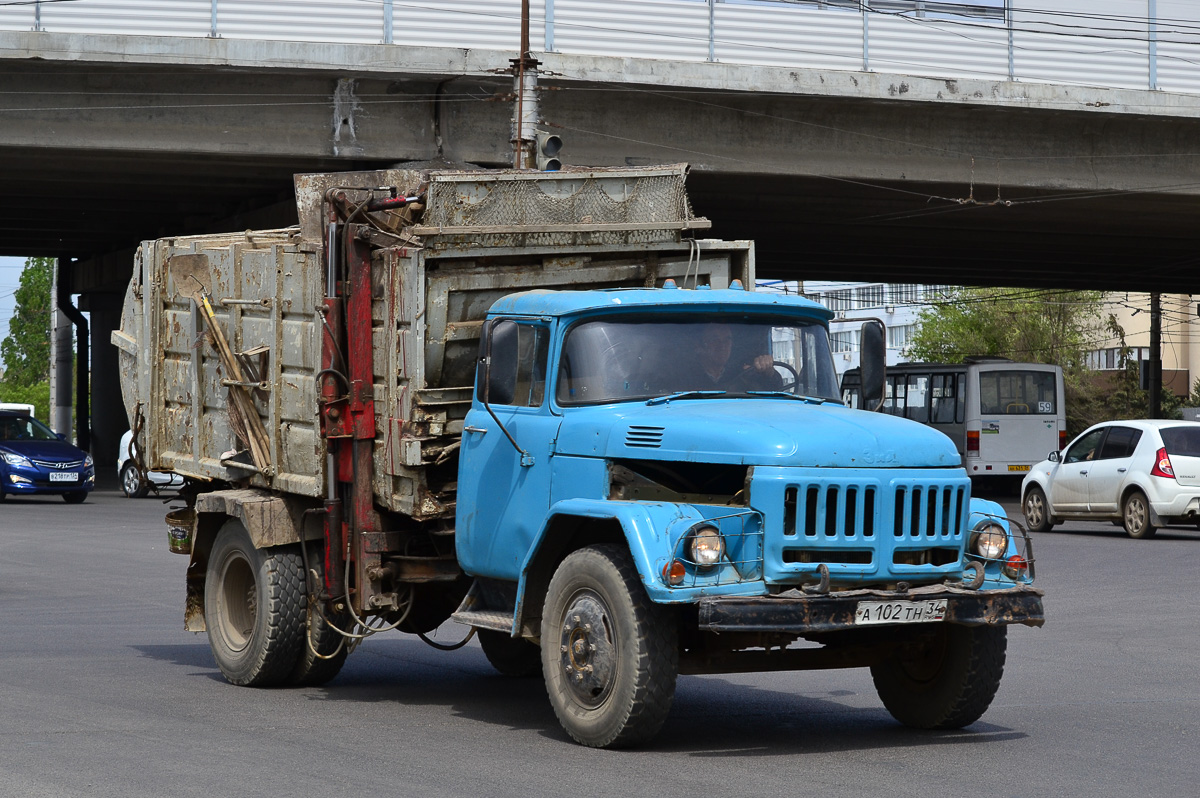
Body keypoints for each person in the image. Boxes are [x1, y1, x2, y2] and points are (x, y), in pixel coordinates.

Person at [691, 323, 783, 391]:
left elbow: (776, 391)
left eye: (727, 340)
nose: (722, 346)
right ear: (699, 346)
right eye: (714, 340)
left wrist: (769, 372)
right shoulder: (685, 377)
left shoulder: (743, 373)